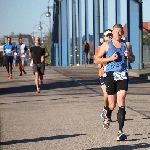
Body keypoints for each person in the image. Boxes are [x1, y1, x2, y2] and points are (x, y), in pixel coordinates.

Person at [94, 24, 135, 141]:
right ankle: (107, 115)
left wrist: (129, 57)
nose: (118, 33)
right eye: (116, 31)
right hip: (110, 75)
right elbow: (96, 59)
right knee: (112, 105)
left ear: (122, 32)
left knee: (121, 100)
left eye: (120, 31)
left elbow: (133, 58)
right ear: (113, 32)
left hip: (122, 74)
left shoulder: (127, 45)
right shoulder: (106, 45)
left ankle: (120, 131)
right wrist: (110, 59)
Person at [94, 29, 112, 121]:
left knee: (112, 96)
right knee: (106, 93)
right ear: (104, 37)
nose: (109, 37)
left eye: (110, 35)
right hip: (103, 73)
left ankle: (107, 111)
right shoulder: (100, 48)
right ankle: (105, 109)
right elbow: (97, 61)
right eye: (107, 36)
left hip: (113, 73)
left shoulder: (116, 47)